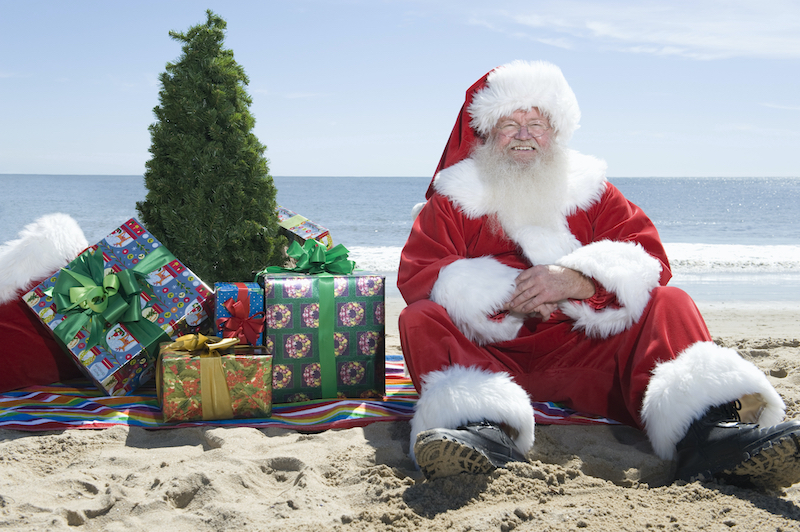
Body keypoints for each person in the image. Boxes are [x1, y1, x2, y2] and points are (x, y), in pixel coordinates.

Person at [397, 59, 800, 491]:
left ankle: (707, 435)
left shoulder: (592, 189)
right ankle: (483, 428)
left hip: (589, 355)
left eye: (536, 123)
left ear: (556, 131)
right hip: (494, 358)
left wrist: (579, 279)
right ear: (487, 133)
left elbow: (650, 259)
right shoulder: (455, 199)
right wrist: (501, 292)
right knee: (418, 319)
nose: (524, 134)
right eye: (508, 123)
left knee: (671, 301)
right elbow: (418, 272)